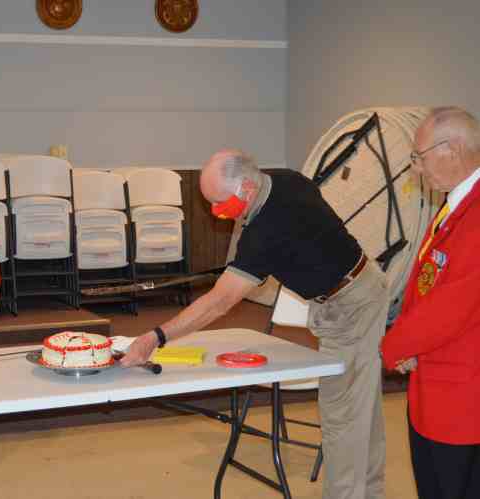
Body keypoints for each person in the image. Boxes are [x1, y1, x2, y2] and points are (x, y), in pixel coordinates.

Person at [122, 149, 389, 499]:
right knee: (362, 405)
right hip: (357, 288)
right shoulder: (286, 180)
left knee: (343, 416)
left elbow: (220, 302)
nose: (217, 212)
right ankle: (371, 493)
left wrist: (156, 336)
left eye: (221, 203)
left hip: (351, 305)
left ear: (247, 187)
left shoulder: (266, 228)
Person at [381, 107, 480, 499]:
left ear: (451, 150)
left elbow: (453, 306)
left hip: (462, 397)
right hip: (436, 381)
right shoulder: (457, 202)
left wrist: (394, 345)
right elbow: (428, 283)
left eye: (419, 157)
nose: (416, 168)